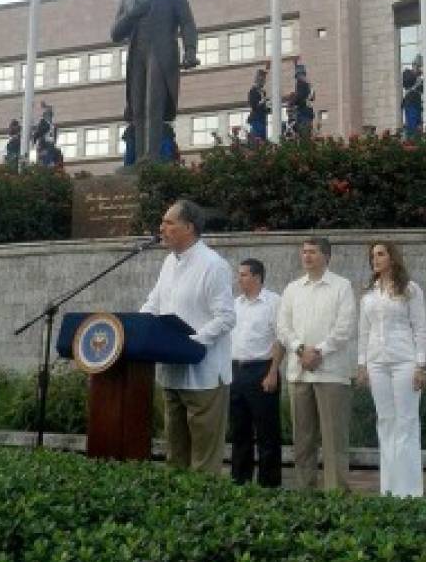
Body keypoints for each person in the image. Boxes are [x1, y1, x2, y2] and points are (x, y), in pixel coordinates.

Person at [139, 199, 235, 474]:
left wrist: (190, 343)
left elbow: (227, 317)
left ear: (189, 228)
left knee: (203, 460)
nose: (162, 228)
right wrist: (136, 327)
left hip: (203, 375)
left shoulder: (213, 265)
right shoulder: (169, 262)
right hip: (173, 373)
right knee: (175, 456)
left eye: (169, 223)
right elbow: (153, 303)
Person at [277, 237, 356, 491]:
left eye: (312, 252)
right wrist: (301, 349)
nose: (306, 256)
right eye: (304, 252)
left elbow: (344, 328)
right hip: (299, 373)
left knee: (334, 440)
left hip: (331, 373)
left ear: (326, 256)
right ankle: (304, 492)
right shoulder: (292, 289)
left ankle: (336, 495)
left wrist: (318, 351)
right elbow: (282, 326)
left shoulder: (342, 287)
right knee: (302, 439)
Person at [111, 0, 198, 162]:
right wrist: (133, 14)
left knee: (154, 103)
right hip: (137, 53)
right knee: (137, 105)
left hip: (162, 52)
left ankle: (152, 155)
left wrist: (190, 50)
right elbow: (115, 34)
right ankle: (140, 156)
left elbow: (187, 22)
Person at [357, 242, 426, 497]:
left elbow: (420, 329)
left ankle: (409, 492)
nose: (375, 259)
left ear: (392, 257)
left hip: (404, 361)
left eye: (380, 254)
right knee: (385, 422)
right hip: (377, 362)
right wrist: (362, 364)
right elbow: (364, 331)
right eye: (372, 255)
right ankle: (388, 489)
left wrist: (421, 365)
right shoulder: (369, 294)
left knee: (406, 423)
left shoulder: (410, 290)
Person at [230, 259, 284, 487]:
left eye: (243, 275)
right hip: (236, 371)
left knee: (267, 433)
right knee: (239, 432)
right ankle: (239, 482)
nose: (239, 279)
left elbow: (281, 339)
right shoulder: (235, 304)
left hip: (262, 370)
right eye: (239, 275)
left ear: (257, 277)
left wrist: (272, 373)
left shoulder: (273, 303)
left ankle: (268, 486)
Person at [402, 54, 423, 136]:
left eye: (419, 66)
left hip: (417, 103)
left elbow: (422, 90)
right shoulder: (407, 72)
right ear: (413, 65)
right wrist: (416, 75)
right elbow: (406, 82)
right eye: (417, 65)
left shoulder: (420, 78)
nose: (418, 68)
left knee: (418, 125)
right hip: (410, 102)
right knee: (411, 125)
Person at [247, 68, 270, 141]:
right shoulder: (253, 91)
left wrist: (267, 108)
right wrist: (262, 102)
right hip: (256, 118)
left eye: (264, 79)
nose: (264, 81)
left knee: (262, 137)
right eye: (262, 79)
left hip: (262, 118)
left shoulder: (263, 92)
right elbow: (253, 105)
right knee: (258, 137)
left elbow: (263, 106)